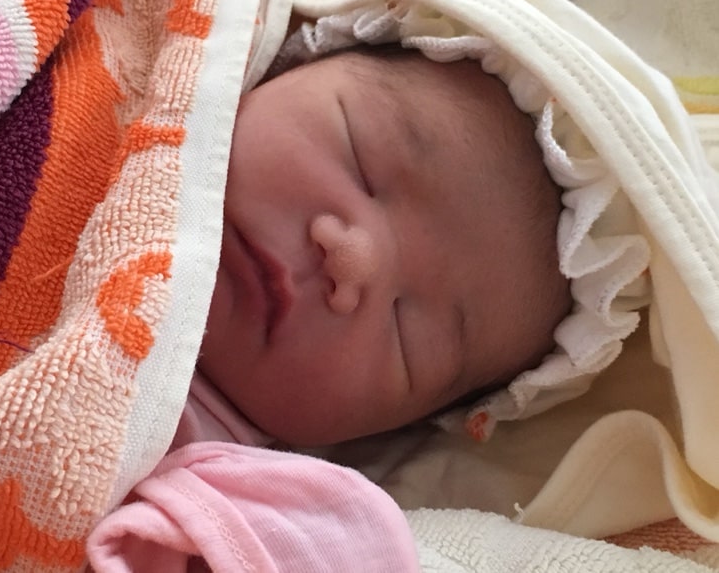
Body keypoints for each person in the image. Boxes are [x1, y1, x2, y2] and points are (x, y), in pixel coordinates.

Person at [196, 45, 573, 448]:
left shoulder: (221, 479)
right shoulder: (172, 62)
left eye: (409, 340)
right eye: (361, 163)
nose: (352, 261)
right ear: (290, 64)